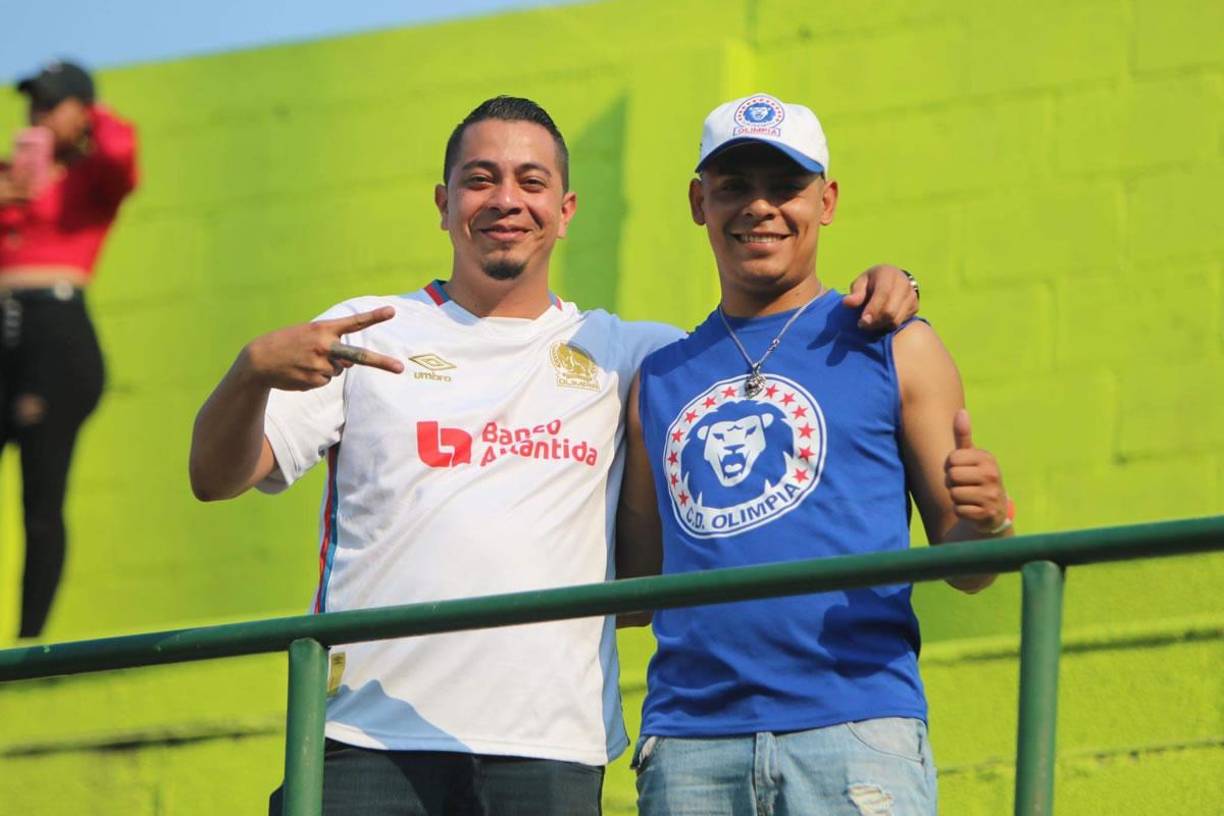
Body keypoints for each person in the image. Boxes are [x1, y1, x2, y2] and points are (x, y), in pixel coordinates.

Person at [188, 96, 919, 816]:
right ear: (443, 204)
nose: (507, 200)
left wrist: (893, 284)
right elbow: (216, 478)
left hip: (551, 752)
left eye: (531, 182)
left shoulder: (639, 358)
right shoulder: (370, 330)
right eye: (481, 179)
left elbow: (767, 337)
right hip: (364, 739)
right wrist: (250, 371)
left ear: (565, 210)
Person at [619, 93, 1014, 816]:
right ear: (697, 201)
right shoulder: (660, 377)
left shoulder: (897, 341)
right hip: (690, 745)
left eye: (786, 186)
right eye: (735, 186)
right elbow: (634, 592)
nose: (760, 207)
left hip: (857, 729)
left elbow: (972, 568)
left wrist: (988, 524)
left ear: (826, 200)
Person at [0, 61, 138, 639]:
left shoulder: (89, 179)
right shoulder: (9, 178)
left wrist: (88, 114)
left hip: (55, 339)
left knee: (41, 499)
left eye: (52, 104)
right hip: (6, 337)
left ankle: (29, 642)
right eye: (35, 104)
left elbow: (121, 157)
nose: (39, 115)